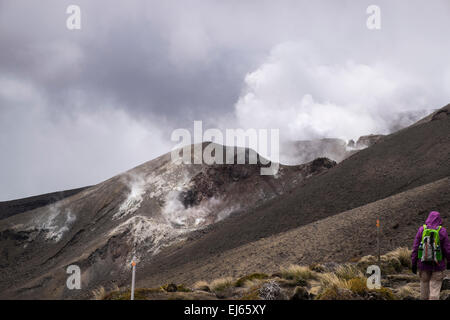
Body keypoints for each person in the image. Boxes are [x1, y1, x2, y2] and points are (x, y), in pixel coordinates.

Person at [411, 211, 450, 300]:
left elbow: (415, 247)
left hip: (423, 265)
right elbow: (447, 249)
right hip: (438, 265)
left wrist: (413, 263)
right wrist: (449, 261)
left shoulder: (422, 230)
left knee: (424, 289)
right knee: (435, 289)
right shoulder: (442, 231)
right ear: (439, 219)